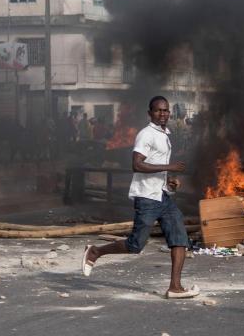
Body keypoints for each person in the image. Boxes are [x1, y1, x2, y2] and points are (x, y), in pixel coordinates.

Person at [81, 96, 197, 298]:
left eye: (166, 110)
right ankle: (95, 252)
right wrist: (169, 167)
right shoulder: (146, 135)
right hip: (146, 197)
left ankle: (175, 287)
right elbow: (137, 164)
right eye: (159, 111)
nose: (163, 114)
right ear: (150, 113)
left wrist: (169, 180)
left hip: (162, 196)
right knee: (135, 245)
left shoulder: (164, 135)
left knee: (180, 239)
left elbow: (156, 163)